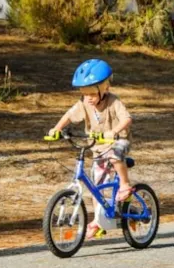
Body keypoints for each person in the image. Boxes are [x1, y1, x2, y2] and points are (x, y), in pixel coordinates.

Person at [48, 59, 134, 238]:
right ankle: (98, 220)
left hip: (119, 141)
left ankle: (125, 185)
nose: (88, 97)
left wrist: (114, 131)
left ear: (105, 89)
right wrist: (57, 129)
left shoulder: (113, 101)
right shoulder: (84, 103)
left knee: (114, 154)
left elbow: (127, 119)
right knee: (96, 187)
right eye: (84, 92)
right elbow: (70, 116)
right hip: (98, 146)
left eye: (92, 93)